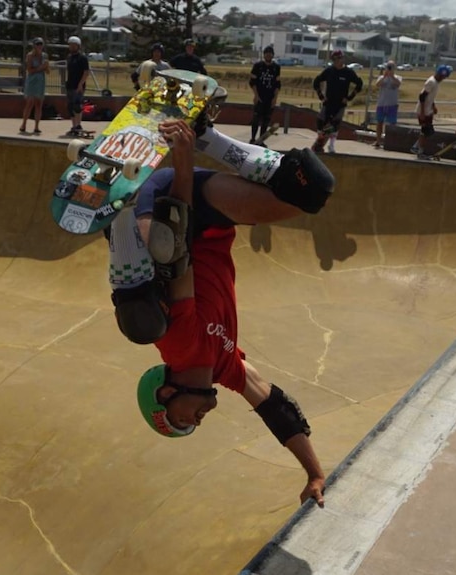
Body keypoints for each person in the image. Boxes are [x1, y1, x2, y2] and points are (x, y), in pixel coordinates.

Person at [107, 111, 335, 505]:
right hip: (209, 221)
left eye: (181, 420)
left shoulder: (178, 345)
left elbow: (176, 248)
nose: (195, 422)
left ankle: (119, 214)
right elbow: (278, 409)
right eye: (189, 427)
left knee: (143, 320)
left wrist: (181, 159)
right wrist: (314, 473)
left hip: (168, 210)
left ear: (164, 393)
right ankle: (207, 134)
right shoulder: (227, 369)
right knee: (312, 189)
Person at [312, 50, 363, 153]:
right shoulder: (329, 71)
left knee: (334, 124)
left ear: (342, 59)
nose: (337, 61)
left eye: (339, 59)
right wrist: (321, 96)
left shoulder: (348, 72)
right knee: (320, 122)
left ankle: (331, 145)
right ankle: (319, 142)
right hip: (328, 102)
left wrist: (349, 97)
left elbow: (359, 84)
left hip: (340, 104)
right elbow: (316, 82)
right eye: (334, 60)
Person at [409, 64, 452, 158]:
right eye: (443, 77)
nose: (443, 79)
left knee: (428, 131)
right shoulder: (431, 82)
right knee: (425, 131)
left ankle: (417, 147)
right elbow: (422, 96)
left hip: (428, 110)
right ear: (440, 74)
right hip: (423, 110)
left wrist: (433, 106)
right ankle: (419, 150)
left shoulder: (436, 82)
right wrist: (422, 113)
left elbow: (430, 97)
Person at [249, 45, 281, 144]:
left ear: (272, 55)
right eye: (266, 53)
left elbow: (277, 85)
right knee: (256, 119)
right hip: (260, 96)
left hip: (270, 97)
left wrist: (275, 98)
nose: (268, 55)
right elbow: (252, 82)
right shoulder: (258, 66)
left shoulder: (276, 67)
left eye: (270, 54)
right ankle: (253, 138)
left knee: (266, 120)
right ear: (264, 55)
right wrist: (256, 95)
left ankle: (261, 140)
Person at [20, 37, 49, 134]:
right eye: (37, 44)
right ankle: (24, 124)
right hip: (32, 81)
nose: (39, 46)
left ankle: (36, 126)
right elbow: (30, 70)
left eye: (41, 44)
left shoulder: (44, 56)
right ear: (34, 45)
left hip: (40, 82)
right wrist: (41, 67)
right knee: (29, 103)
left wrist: (46, 66)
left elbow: (47, 71)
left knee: (39, 104)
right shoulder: (30, 56)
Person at [373, 60, 402, 148]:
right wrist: (384, 76)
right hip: (381, 103)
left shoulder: (398, 77)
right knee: (379, 123)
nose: (389, 68)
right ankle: (378, 141)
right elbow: (377, 84)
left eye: (391, 67)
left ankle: (390, 142)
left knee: (391, 124)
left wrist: (392, 76)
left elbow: (398, 84)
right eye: (388, 66)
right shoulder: (381, 77)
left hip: (392, 104)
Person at [64, 36, 89, 135]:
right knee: (70, 106)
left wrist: (80, 84)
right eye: (70, 45)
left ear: (78, 46)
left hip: (78, 85)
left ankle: (78, 125)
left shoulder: (82, 58)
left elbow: (86, 72)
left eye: (74, 45)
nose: (72, 47)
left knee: (77, 106)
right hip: (70, 84)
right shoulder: (69, 57)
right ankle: (74, 126)